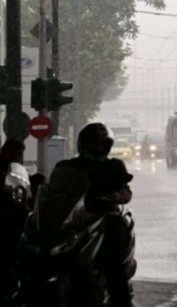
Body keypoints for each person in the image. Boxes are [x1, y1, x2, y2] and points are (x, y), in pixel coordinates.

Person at [21, 123, 136, 307]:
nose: (98, 149)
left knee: (113, 264)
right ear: (83, 144)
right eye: (94, 144)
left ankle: (121, 301)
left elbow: (126, 192)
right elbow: (53, 189)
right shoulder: (67, 165)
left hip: (99, 219)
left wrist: (116, 196)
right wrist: (38, 199)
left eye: (102, 144)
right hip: (72, 221)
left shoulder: (113, 166)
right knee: (33, 250)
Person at [0, 139, 28, 306]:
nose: (19, 157)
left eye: (20, 153)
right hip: (5, 216)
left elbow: (21, 182)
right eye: (17, 153)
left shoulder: (14, 169)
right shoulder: (3, 167)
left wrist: (36, 181)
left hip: (13, 214)